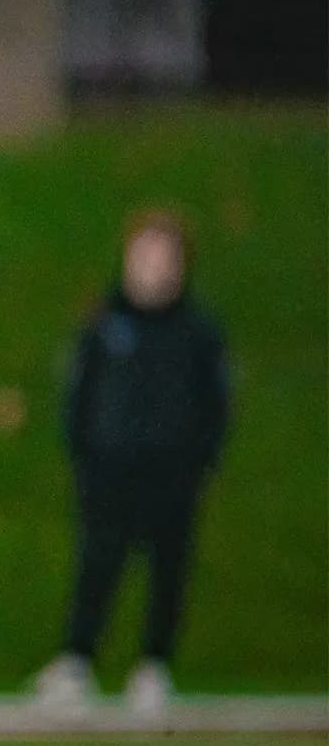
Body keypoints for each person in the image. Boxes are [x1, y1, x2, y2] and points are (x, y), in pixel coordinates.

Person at [34, 212, 230, 716]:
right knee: (97, 563)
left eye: (163, 257)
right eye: (144, 255)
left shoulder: (197, 332)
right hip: (110, 468)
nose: (153, 267)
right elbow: (79, 394)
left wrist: (200, 459)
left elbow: (216, 403)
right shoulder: (104, 323)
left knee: (168, 569)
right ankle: (77, 660)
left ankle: (153, 665)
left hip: (173, 471)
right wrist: (84, 454)